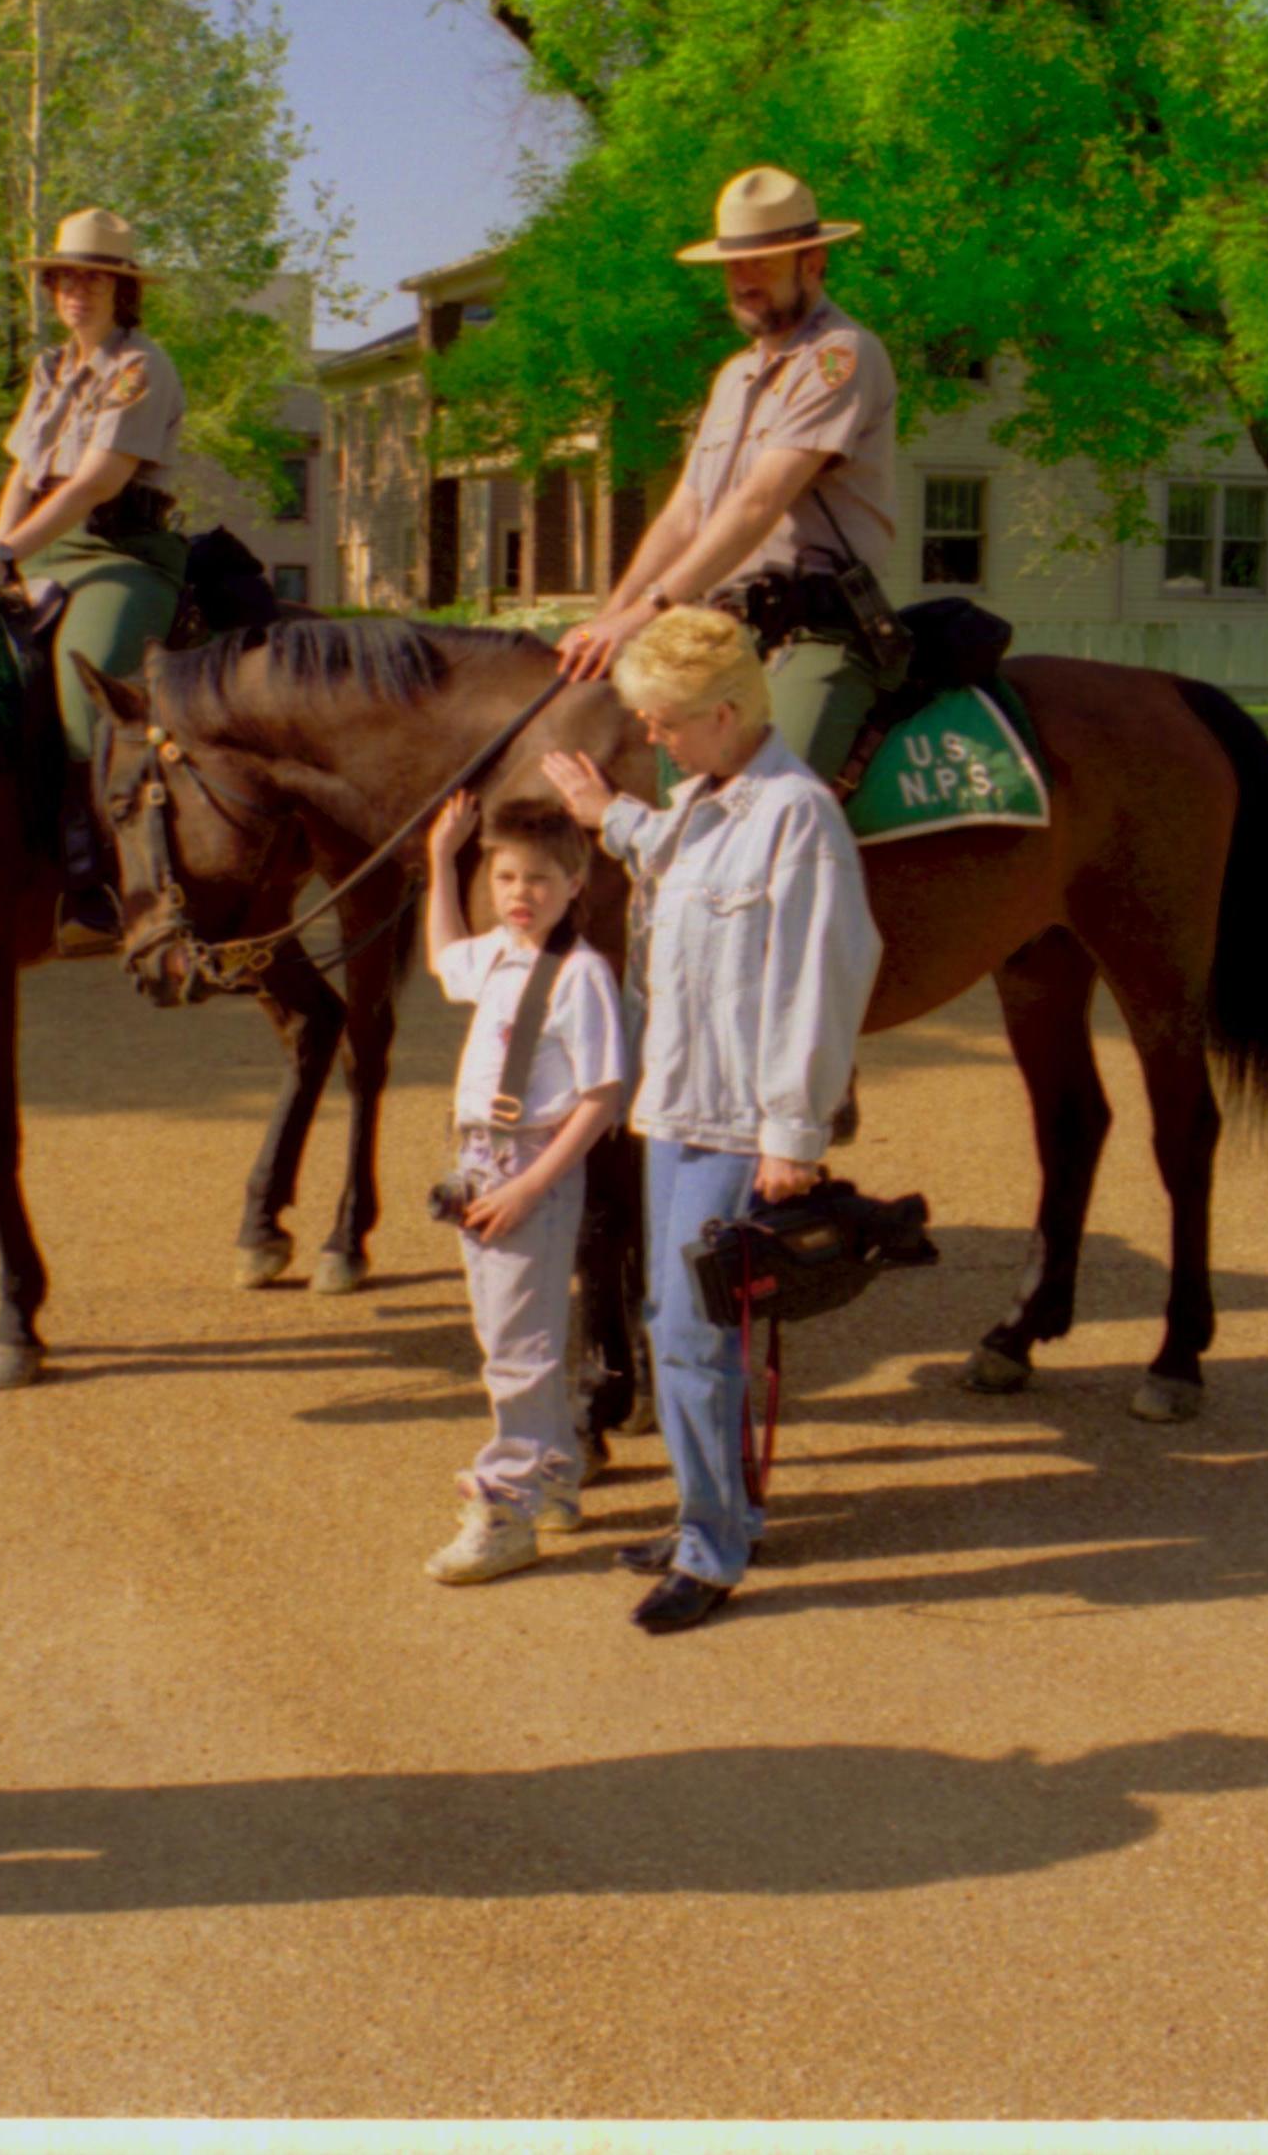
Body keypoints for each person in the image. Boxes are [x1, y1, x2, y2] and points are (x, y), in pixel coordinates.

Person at [540, 607, 877, 1634]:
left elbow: (823, 979)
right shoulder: (697, 798)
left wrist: (793, 1135)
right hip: (673, 1104)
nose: (650, 736)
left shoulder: (796, 816)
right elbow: (669, 864)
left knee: (690, 1335)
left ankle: (711, 1548)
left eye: (663, 720)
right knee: (676, 1323)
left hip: (738, 1122)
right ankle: (718, 1511)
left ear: (724, 713)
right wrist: (608, 815)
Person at [553, 167, 901, 791]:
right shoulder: (734, 377)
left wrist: (650, 609)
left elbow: (758, 502)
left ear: (814, 263)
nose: (744, 282)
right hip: (723, 633)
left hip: (817, 630)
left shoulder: (840, 357)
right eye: (734, 266)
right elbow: (686, 512)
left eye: (764, 264)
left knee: (765, 799)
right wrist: (613, 616)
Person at [0, 206, 190, 945]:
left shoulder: (141, 366)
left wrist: (6, 557)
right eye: (64, 278)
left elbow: (93, 482)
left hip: (116, 552)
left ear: (120, 290)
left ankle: (100, 874)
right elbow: (25, 471)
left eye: (93, 279)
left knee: (86, 687)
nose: (76, 291)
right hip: (35, 547)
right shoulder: (50, 367)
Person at [415, 788, 631, 1586]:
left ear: (575, 884)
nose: (519, 894)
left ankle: (506, 1502)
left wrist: (532, 1187)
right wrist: (441, 860)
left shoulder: (578, 976)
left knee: (517, 1349)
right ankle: (555, 1477)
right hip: (478, 1165)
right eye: (505, 878)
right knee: (506, 1334)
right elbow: (442, 959)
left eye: (538, 879)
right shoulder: (497, 955)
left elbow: (602, 1096)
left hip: (527, 1171)